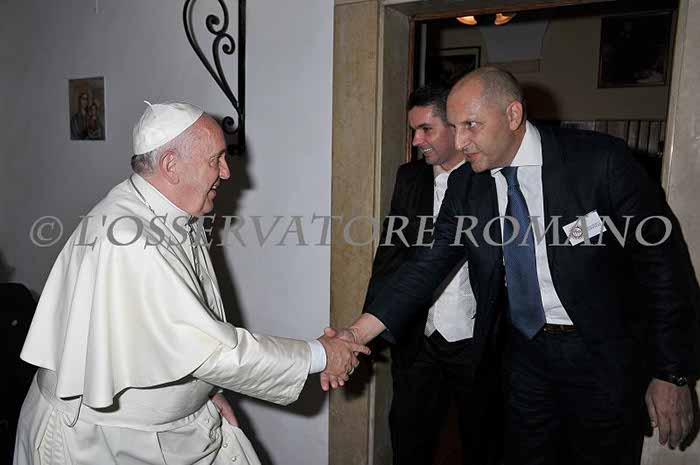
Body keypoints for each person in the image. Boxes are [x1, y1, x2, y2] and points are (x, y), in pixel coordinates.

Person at [329, 67, 698, 465]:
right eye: (454, 127)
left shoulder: (599, 161)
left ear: (512, 115)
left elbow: (664, 270)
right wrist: (355, 333)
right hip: (524, 356)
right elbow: (424, 267)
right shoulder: (467, 186)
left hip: (602, 357)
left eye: (471, 125)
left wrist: (672, 372)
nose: (460, 141)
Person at [14, 101, 369, 465]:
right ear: (171, 166)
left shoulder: (171, 212)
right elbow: (210, 350)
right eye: (216, 160)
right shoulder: (128, 238)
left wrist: (205, 393)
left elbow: (179, 336)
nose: (227, 172)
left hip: (162, 429)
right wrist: (320, 355)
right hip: (98, 441)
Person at [362, 83, 498, 465]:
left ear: (455, 127)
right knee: (408, 437)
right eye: (413, 130)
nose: (416, 141)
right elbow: (390, 256)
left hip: (475, 342)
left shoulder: (492, 179)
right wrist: (369, 330)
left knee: (483, 440)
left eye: (426, 129)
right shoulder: (409, 177)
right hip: (417, 337)